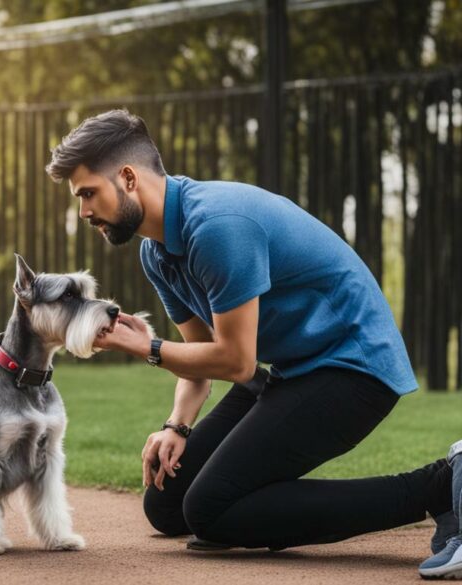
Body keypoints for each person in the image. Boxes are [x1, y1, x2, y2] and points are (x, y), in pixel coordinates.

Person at [43, 109, 455, 559]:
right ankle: (249, 490)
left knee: (210, 510)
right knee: (167, 504)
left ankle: (440, 485)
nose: (84, 211)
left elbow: (236, 363)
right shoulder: (156, 252)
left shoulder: (217, 227)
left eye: (88, 194)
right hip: (294, 368)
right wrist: (177, 424)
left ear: (126, 178)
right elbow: (202, 353)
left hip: (353, 369)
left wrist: (148, 347)